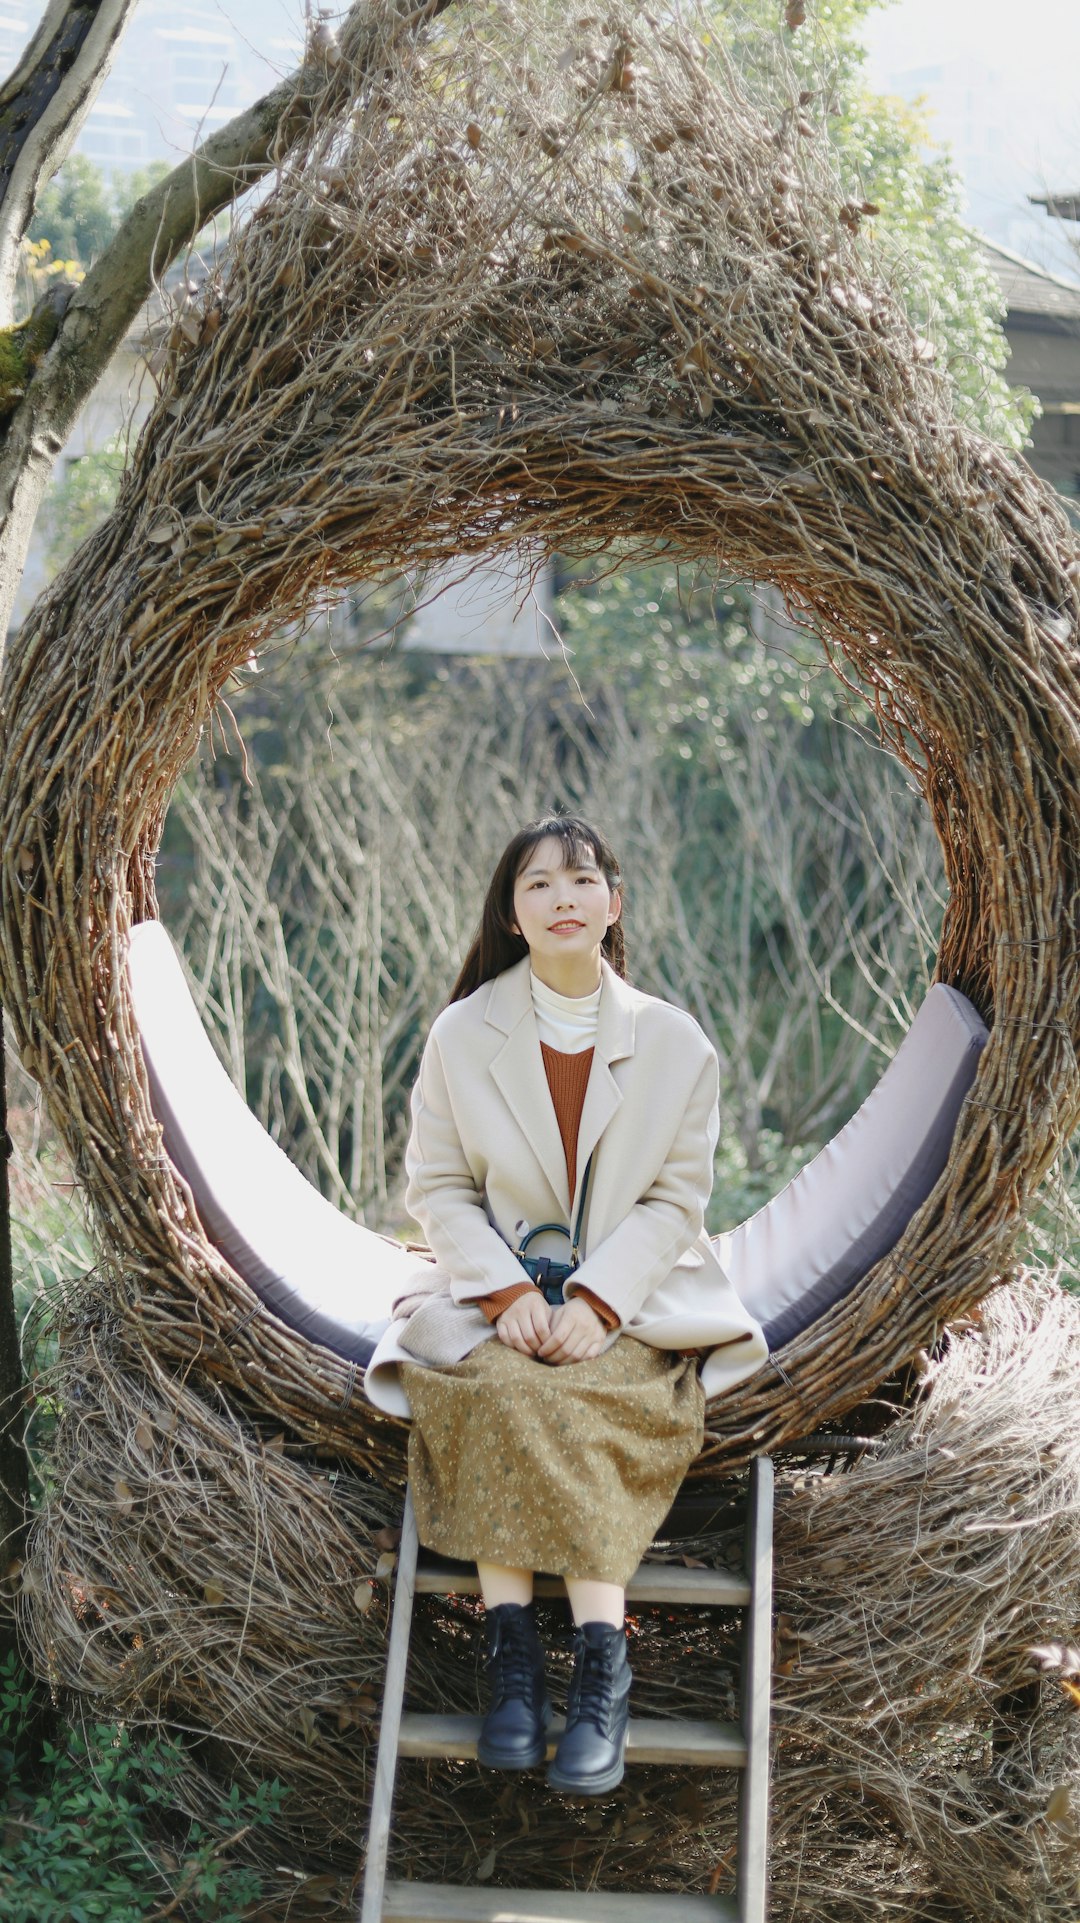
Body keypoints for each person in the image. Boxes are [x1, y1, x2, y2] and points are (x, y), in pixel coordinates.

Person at [363, 814, 767, 1796]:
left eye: (582, 881)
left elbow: (677, 1200)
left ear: (613, 903)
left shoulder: (676, 1043)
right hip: (492, 1290)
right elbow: (440, 1186)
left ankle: (600, 1674)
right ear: (512, 911)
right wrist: (504, 1293)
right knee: (497, 1387)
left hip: (638, 1300)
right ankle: (513, 1671)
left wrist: (596, 1300)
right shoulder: (463, 1033)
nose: (563, 899)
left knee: (580, 1396)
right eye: (538, 885)